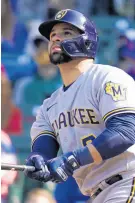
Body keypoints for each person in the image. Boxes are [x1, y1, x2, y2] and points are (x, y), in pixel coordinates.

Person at [24, 9, 135, 203]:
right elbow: (43, 148)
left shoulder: (107, 77)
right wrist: (38, 160)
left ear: (88, 42)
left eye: (66, 33)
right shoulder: (49, 106)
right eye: (53, 36)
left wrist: (72, 159)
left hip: (127, 180)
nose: (56, 39)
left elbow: (126, 131)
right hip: (96, 193)